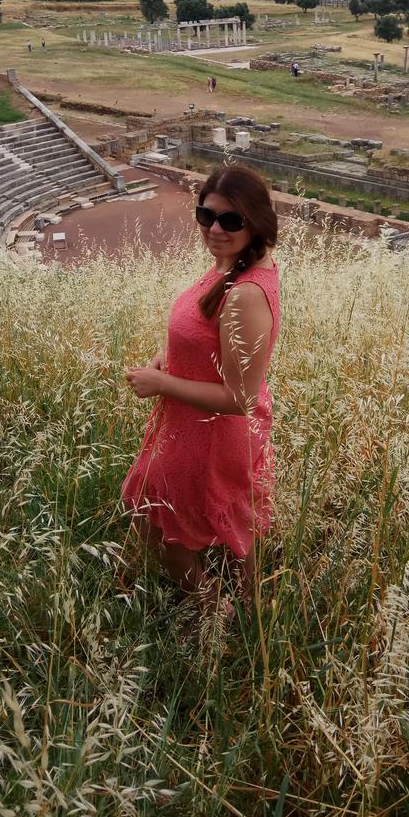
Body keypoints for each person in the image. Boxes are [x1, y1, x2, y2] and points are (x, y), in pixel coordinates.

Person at [123, 164, 281, 620]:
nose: (215, 228)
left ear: (256, 222)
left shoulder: (246, 294)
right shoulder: (232, 267)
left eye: (231, 219)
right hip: (194, 422)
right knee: (231, 514)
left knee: (150, 516)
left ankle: (210, 606)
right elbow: (206, 337)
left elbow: (240, 399)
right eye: (206, 215)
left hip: (212, 431)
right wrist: (167, 358)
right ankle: (250, 605)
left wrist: (161, 383)